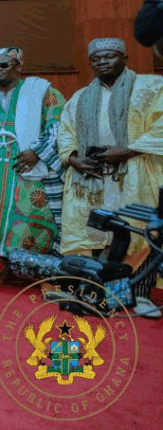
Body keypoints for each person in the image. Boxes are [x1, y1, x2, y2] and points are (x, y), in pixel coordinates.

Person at [58, 38, 163, 317]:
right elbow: (65, 131)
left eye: (110, 57)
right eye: (96, 59)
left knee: (137, 233)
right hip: (89, 179)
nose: (102, 62)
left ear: (125, 58)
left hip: (134, 173)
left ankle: (139, 295)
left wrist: (126, 151)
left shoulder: (151, 88)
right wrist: (72, 158)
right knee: (90, 235)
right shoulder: (80, 97)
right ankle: (93, 291)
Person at [0, 47, 66, 285]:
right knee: (0, 222)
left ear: (19, 66)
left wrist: (36, 153)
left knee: (35, 220)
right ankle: (6, 268)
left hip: (29, 174)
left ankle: (43, 274)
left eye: (4, 65)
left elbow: (59, 125)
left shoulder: (42, 94)